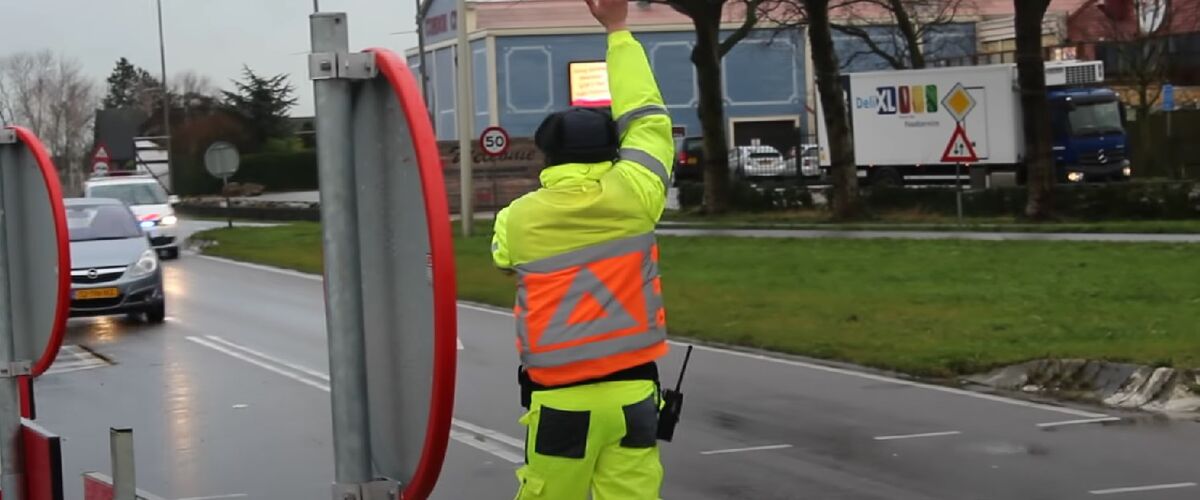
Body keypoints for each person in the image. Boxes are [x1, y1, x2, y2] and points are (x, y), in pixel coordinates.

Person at [490, 0, 675, 497]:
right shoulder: (639, 191)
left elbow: (504, 260)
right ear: (615, 151)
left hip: (562, 402)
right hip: (637, 394)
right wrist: (618, 30)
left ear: (548, 156)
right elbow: (649, 117)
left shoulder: (519, 217)